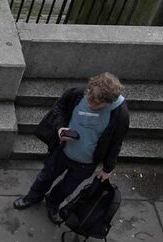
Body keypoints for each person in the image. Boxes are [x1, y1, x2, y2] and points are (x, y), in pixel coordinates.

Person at [13, 72, 129, 223]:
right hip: (62, 151)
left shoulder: (120, 113)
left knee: (67, 188)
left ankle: (53, 203)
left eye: (96, 104)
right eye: (89, 98)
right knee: (45, 176)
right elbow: (58, 108)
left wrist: (108, 169)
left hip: (86, 162)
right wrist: (60, 128)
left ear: (109, 102)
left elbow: (116, 142)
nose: (90, 104)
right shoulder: (77, 93)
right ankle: (33, 196)